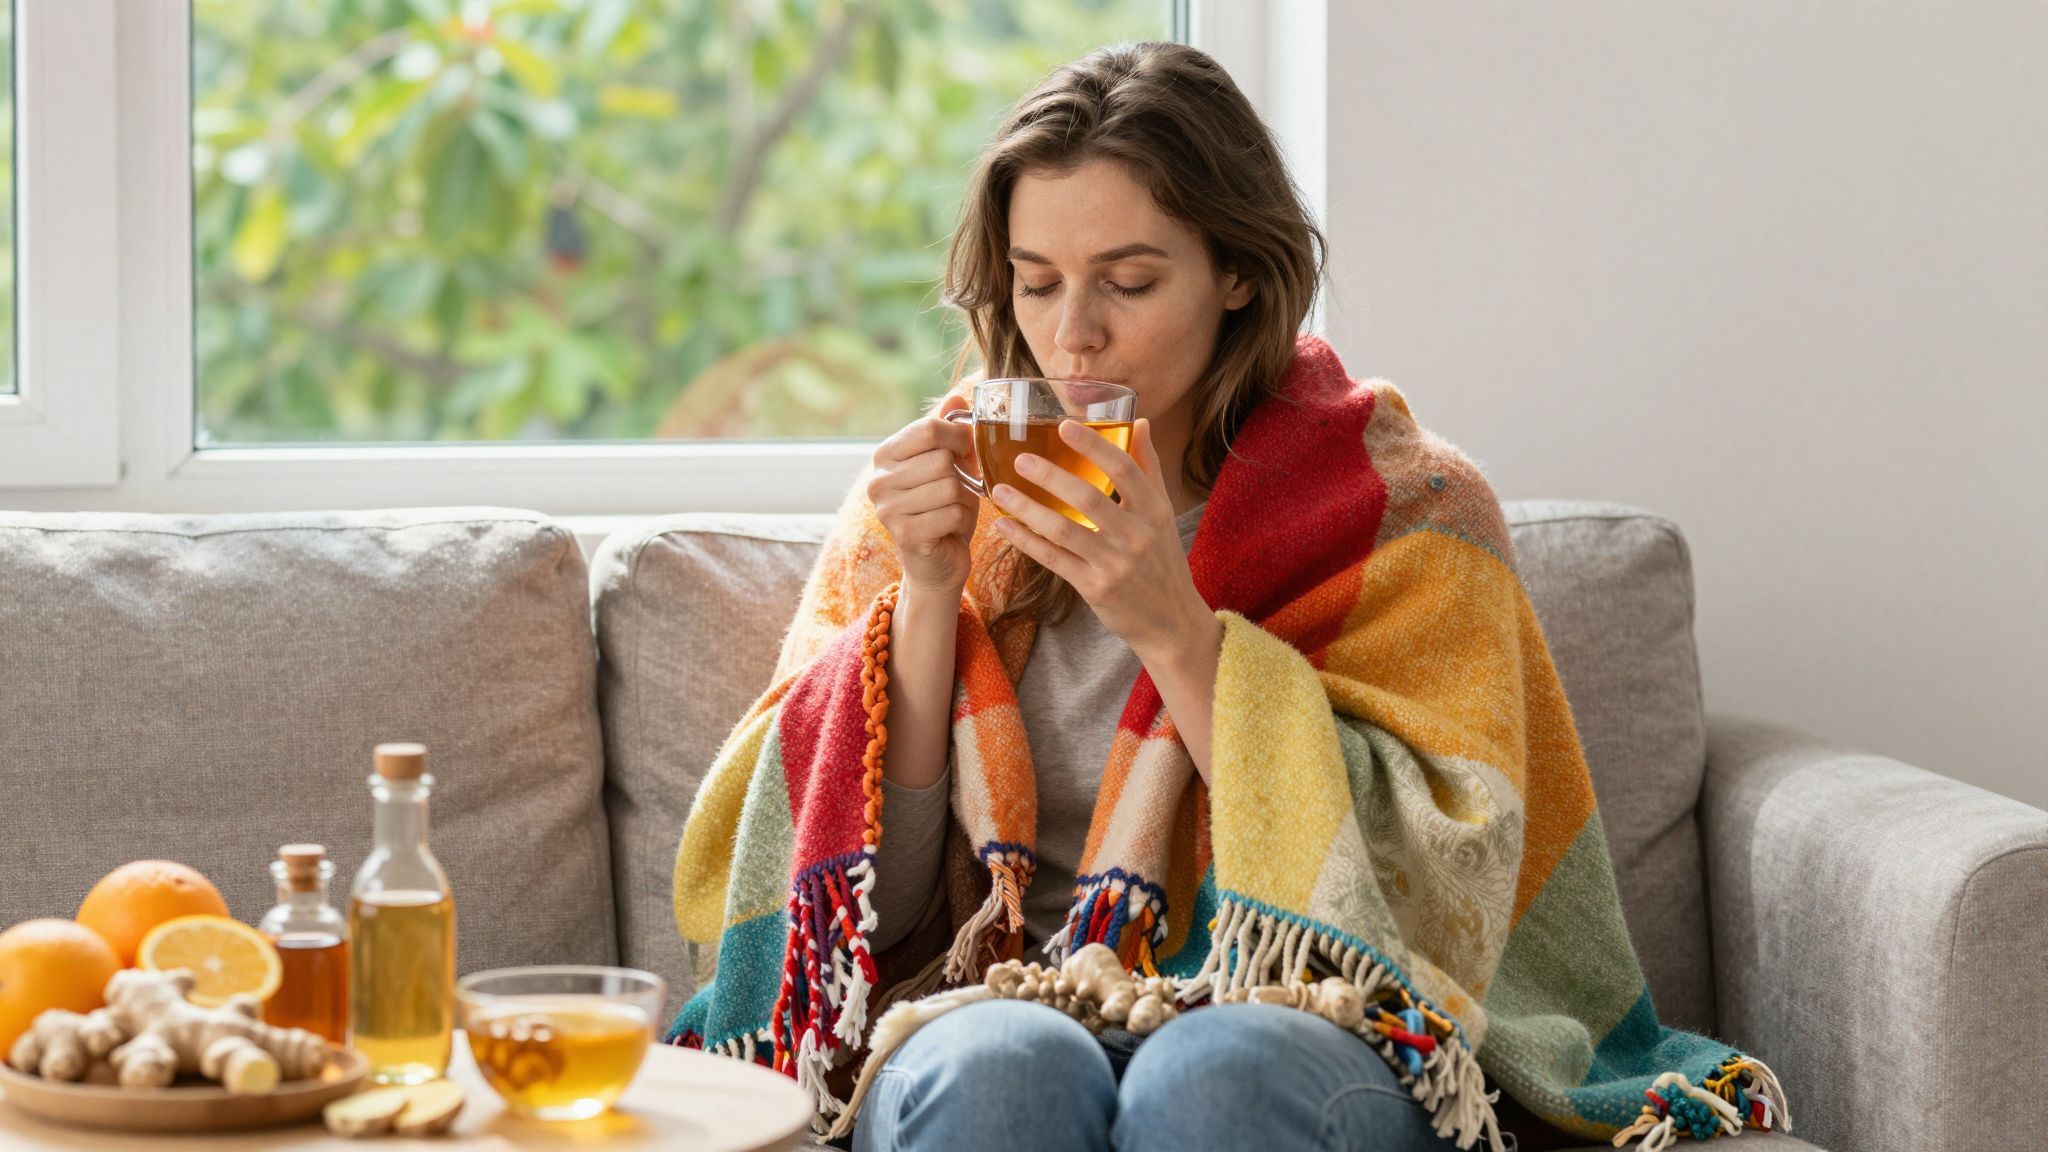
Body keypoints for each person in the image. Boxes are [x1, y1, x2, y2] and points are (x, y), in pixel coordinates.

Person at [667, 40, 1794, 1152]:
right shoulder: (941, 495)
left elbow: (1430, 888)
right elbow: (875, 905)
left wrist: (1169, 624)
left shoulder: (1413, 512)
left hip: (1308, 1015)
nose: (1072, 334)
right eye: (1037, 280)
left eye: (1129, 280)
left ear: (1238, 272)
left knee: (1212, 1073)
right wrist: (922, 594)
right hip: (990, 1009)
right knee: (1001, 1064)